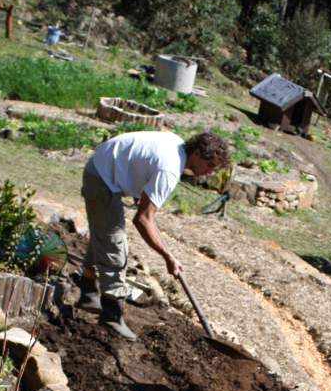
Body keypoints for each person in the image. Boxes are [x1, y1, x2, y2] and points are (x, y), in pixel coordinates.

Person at [78, 130, 231, 340]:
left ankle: (88, 293)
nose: (211, 172)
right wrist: (168, 256)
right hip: (102, 177)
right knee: (114, 242)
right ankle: (111, 316)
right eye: (210, 165)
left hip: (102, 165)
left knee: (102, 234)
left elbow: (142, 168)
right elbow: (142, 219)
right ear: (196, 154)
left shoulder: (177, 145)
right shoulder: (169, 169)